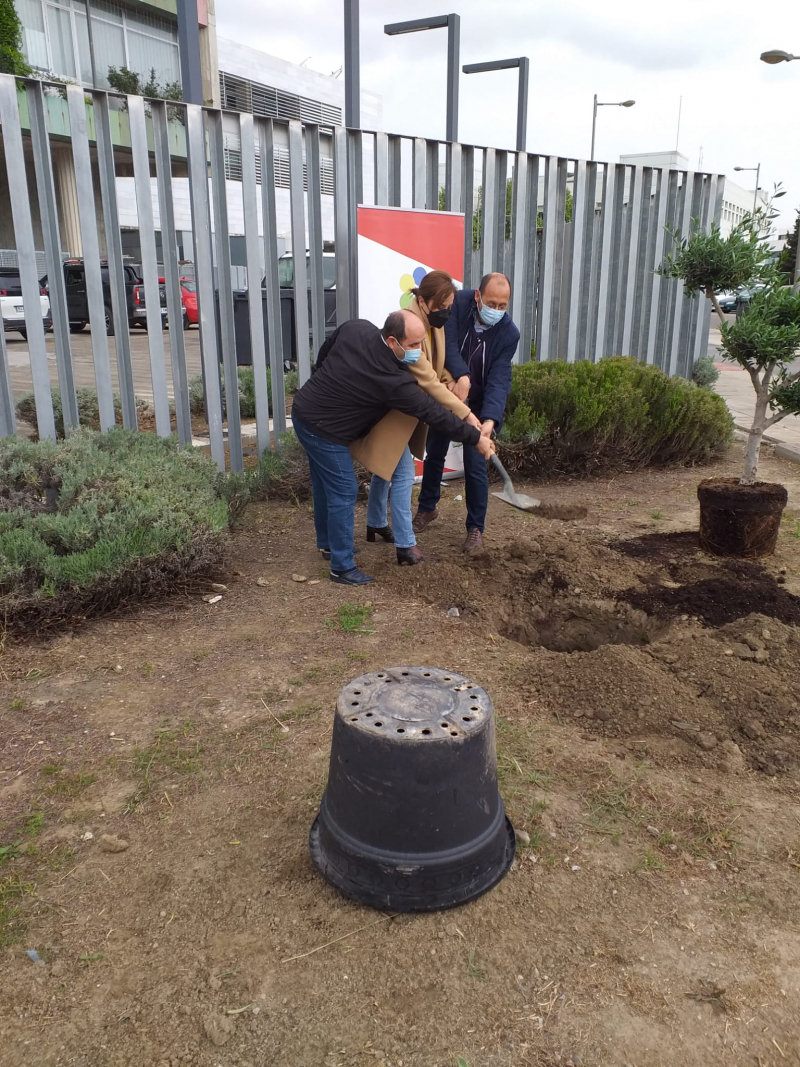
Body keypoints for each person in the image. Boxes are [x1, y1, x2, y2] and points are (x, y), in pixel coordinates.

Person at [291, 309, 495, 586]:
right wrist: (475, 437)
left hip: (305, 410)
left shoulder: (356, 328)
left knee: (324, 484)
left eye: (420, 344)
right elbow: (435, 414)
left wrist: (319, 380)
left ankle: (328, 545)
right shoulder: (392, 380)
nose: (417, 352)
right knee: (344, 488)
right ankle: (341, 567)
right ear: (391, 341)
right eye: (412, 346)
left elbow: (325, 353)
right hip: (323, 431)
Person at [359, 270, 478, 565]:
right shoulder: (410, 325)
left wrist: (453, 377)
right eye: (442, 306)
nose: (447, 312)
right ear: (423, 302)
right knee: (402, 474)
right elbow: (426, 378)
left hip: (406, 411)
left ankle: (375, 522)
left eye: (450, 306)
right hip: (394, 412)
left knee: (385, 468)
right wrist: (465, 412)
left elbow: (438, 364)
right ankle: (406, 545)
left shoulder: (431, 323)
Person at [413, 272, 520, 552]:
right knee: (435, 451)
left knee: (475, 465)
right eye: (491, 303)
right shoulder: (456, 303)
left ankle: (475, 529)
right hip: (450, 393)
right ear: (477, 296)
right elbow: (446, 344)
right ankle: (427, 507)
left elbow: (500, 377)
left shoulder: (509, 333)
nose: (496, 310)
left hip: (481, 404)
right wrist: (461, 376)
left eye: (503, 306)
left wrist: (490, 420)